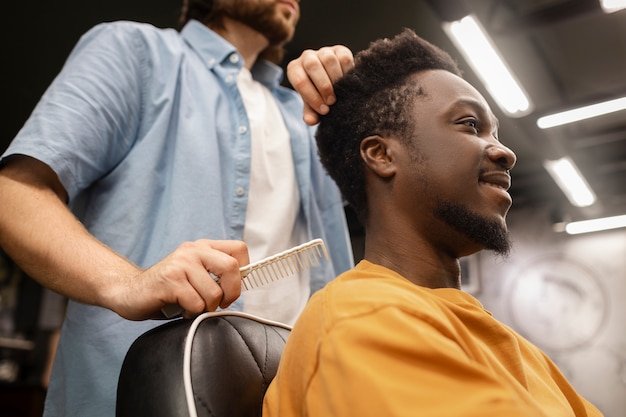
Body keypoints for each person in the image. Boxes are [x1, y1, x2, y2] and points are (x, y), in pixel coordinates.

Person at [0, 0, 354, 415]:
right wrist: (128, 283)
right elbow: (15, 194)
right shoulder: (135, 53)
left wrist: (359, 102)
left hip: (302, 398)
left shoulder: (306, 115)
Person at [263, 29, 603, 416]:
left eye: (496, 132)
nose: (505, 152)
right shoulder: (366, 321)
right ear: (381, 154)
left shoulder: (516, 350)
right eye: (470, 125)